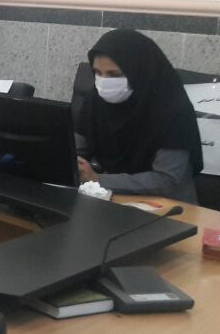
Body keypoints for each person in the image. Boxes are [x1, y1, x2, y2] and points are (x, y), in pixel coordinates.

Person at [75, 28, 203, 203]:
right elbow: (76, 148)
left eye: (114, 74)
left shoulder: (173, 109)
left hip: (169, 207)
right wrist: (72, 163)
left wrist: (98, 179)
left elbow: (166, 180)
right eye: (97, 73)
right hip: (112, 198)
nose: (104, 82)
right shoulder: (95, 99)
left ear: (139, 72)